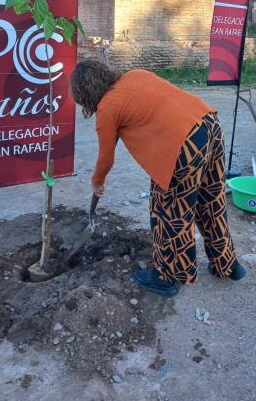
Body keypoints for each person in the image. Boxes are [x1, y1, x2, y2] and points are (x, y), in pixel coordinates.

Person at [70, 60, 246, 298]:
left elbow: (105, 156)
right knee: (212, 203)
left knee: (170, 214)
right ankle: (228, 265)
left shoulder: (106, 109)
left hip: (183, 147)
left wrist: (97, 181)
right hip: (210, 125)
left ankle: (166, 278)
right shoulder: (136, 74)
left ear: (83, 94)